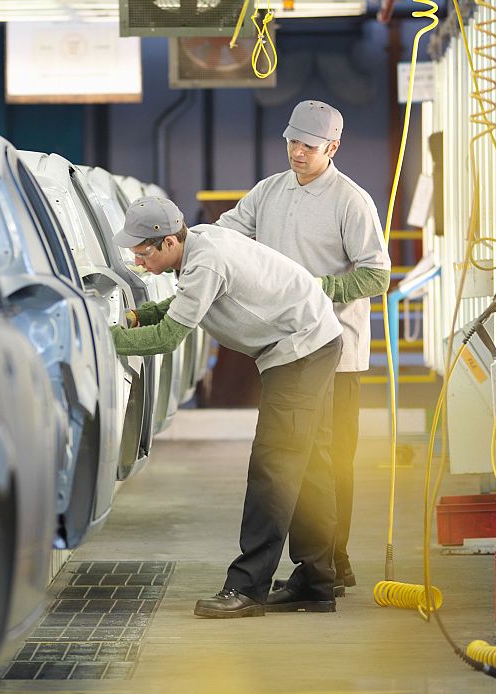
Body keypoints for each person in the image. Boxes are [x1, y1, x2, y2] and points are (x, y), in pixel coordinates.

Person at [111, 196, 343, 618]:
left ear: (165, 242)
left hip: (300, 349)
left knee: (274, 468)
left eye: (141, 251)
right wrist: (138, 316)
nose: (137, 259)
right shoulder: (199, 243)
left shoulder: (207, 261)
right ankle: (316, 582)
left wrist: (101, 339)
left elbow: (168, 337)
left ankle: (248, 588)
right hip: (316, 339)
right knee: (308, 466)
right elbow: (186, 303)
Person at [216, 100, 390, 596]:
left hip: (338, 352)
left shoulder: (349, 201)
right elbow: (230, 234)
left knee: (332, 460)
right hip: (287, 349)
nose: (297, 151)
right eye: (292, 141)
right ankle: (325, 569)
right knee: (307, 459)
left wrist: (314, 290)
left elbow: (377, 274)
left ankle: (334, 560)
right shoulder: (269, 191)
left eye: (309, 145)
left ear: (332, 148)